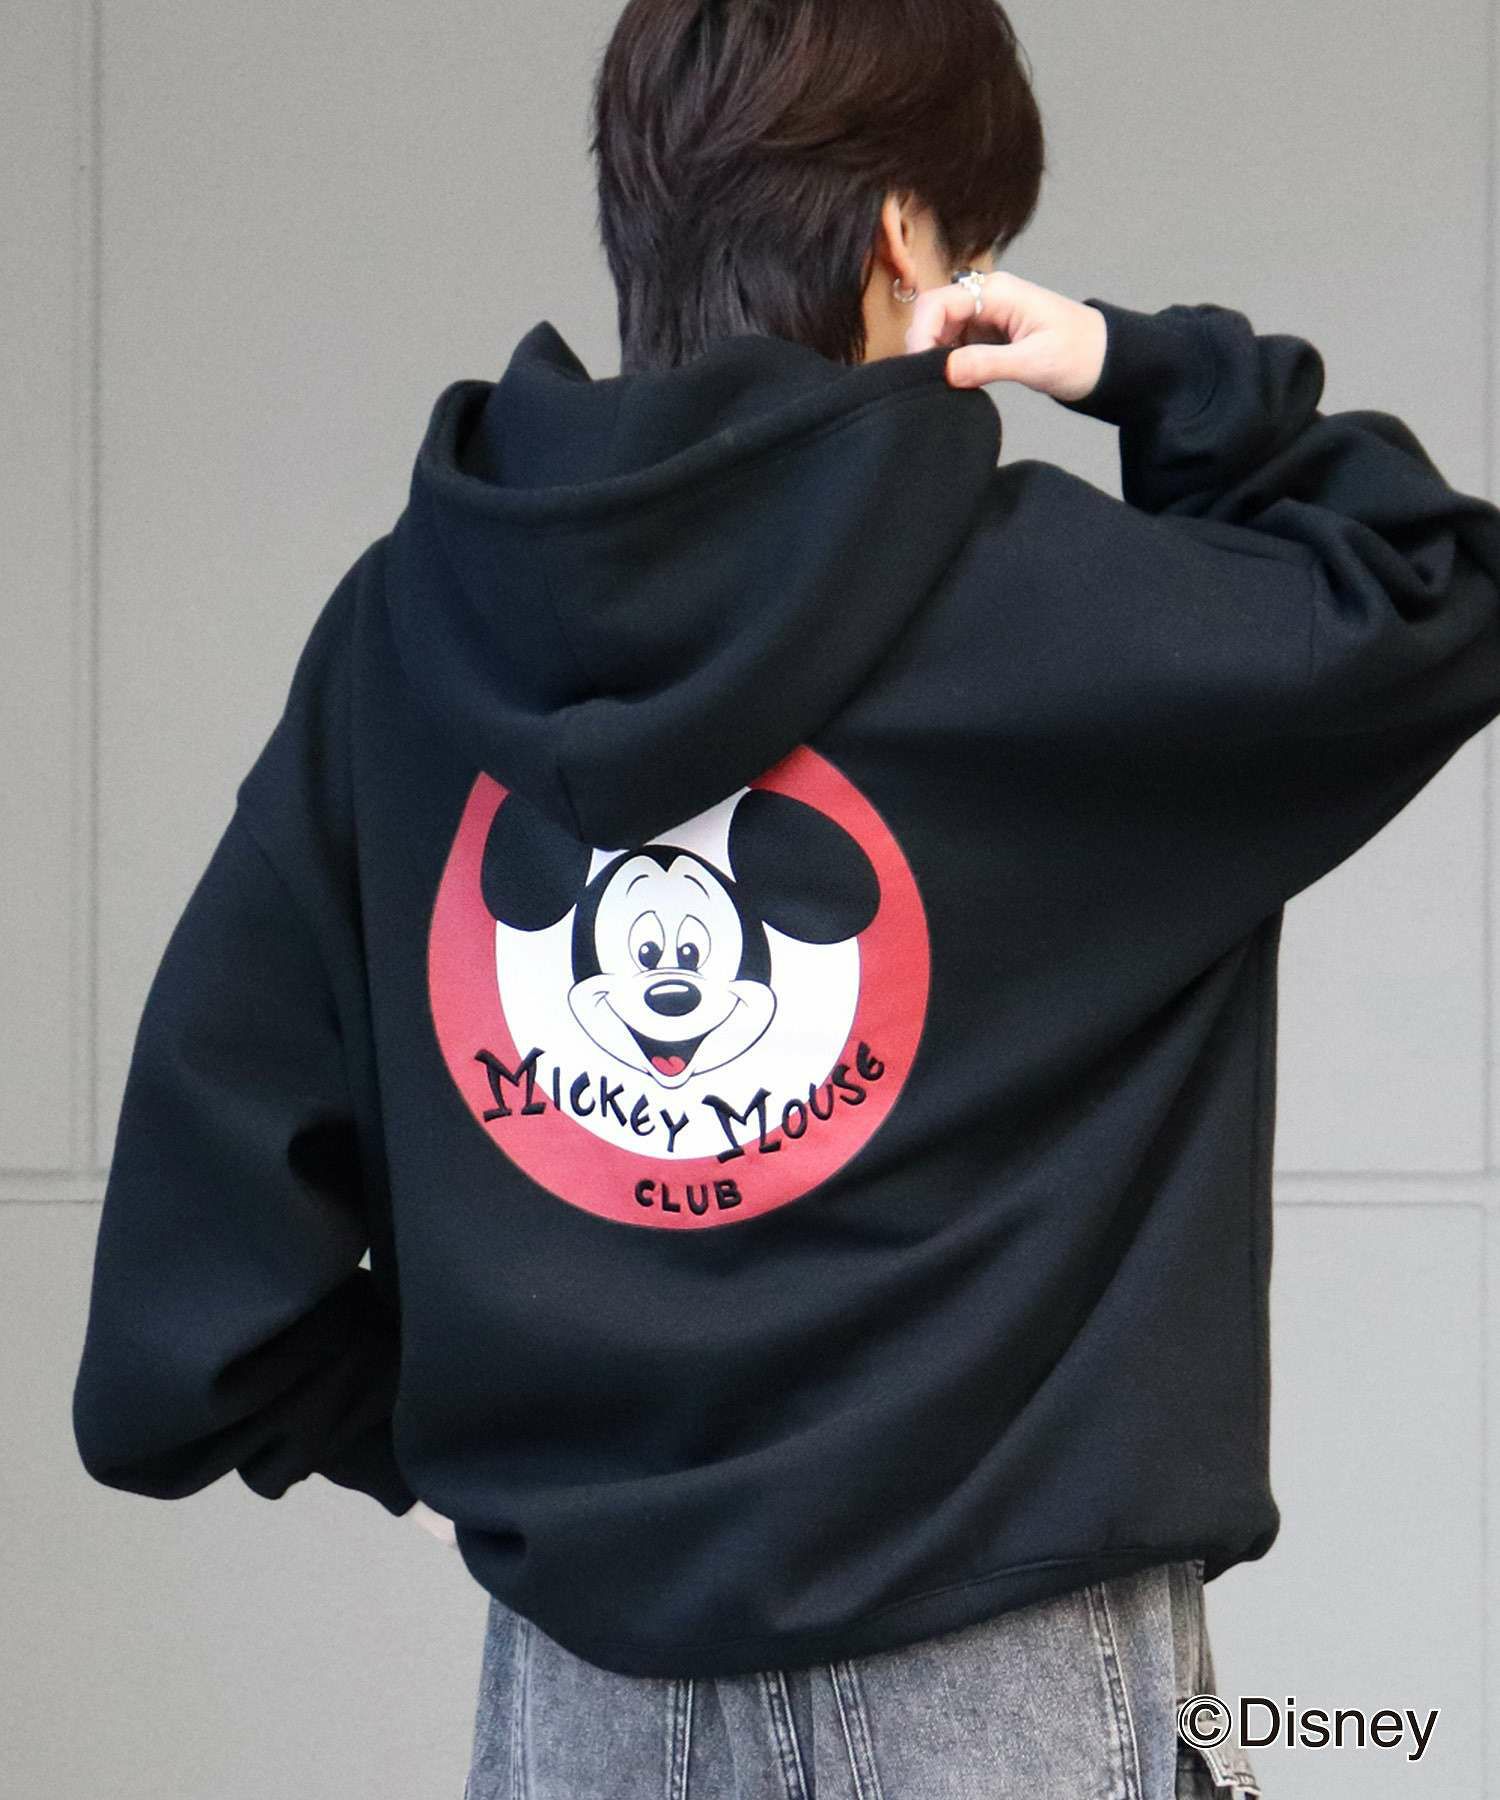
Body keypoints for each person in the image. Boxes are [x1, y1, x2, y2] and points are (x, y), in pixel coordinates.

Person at [70, 1, 1500, 1795]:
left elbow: (204, 1286)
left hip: (581, 1697)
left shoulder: (406, 638)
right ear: (907, 234)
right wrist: (1142, 367)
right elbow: (1435, 585)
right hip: (1014, 1680)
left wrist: (471, 1467)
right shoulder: (1061, 616)